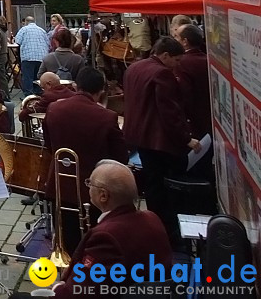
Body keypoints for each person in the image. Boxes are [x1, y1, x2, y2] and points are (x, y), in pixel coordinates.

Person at [53, 160, 172, 298]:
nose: (88, 187)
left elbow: (79, 293)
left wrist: (56, 289)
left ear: (103, 195)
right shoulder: (152, 217)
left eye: (90, 184)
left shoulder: (106, 237)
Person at [42, 66, 128, 254]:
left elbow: (50, 146)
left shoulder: (54, 108)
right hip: (93, 190)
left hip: (60, 184)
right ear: (100, 92)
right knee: (91, 241)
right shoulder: (107, 117)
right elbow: (120, 158)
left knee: (65, 235)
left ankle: (67, 274)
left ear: (76, 85)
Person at [123, 36, 199, 247]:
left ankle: (154, 227)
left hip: (137, 135)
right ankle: (167, 232)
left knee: (151, 185)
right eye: (176, 60)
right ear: (165, 55)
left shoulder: (135, 68)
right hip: (157, 141)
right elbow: (169, 113)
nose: (177, 66)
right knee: (162, 189)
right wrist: (186, 139)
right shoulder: (162, 73)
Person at [175, 24, 212, 142]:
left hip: (195, 121)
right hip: (209, 117)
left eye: (176, 37)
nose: (174, 40)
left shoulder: (181, 63)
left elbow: (185, 95)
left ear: (185, 41)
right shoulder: (207, 59)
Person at [15, 16, 50, 96]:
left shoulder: (23, 29)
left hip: (28, 56)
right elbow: (48, 43)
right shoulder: (42, 30)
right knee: (37, 76)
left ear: (26, 22)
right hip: (41, 56)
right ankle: (38, 93)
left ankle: (29, 95)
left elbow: (17, 42)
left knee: (28, 77)